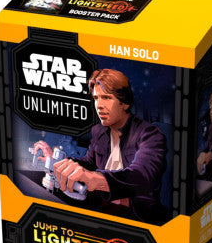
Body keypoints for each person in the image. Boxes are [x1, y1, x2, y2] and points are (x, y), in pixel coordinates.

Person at [52, 68, 168, 222]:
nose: (99, 105)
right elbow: (87, 163)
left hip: (136, 215)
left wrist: (95, 179)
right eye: (96, 98)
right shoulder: (99, 131)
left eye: (106, 97)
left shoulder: (149, 133)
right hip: (100, 206)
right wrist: (59, 163)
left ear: (124, 103)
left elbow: (141, 176)